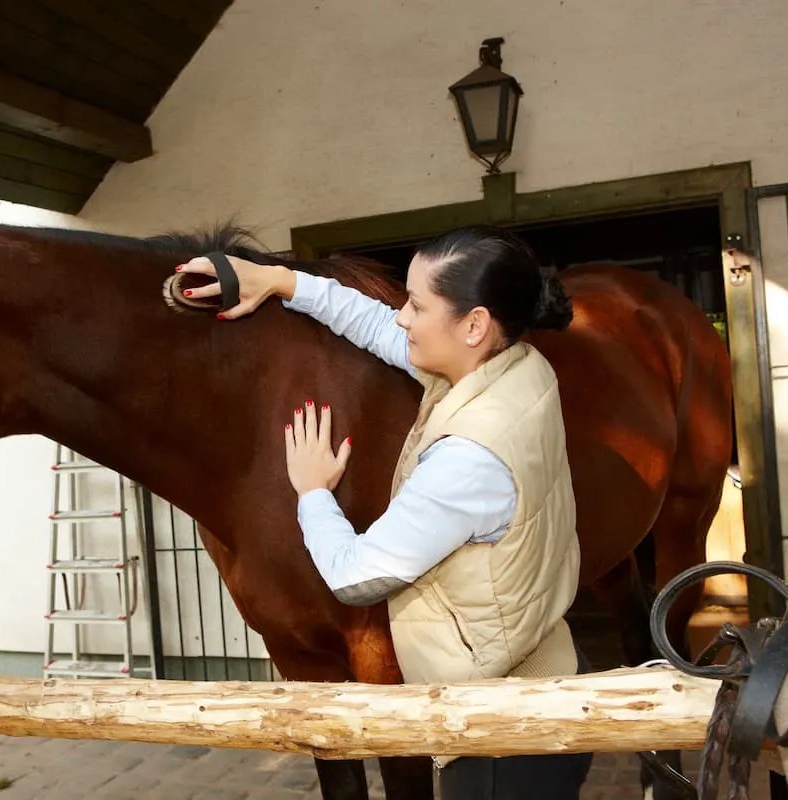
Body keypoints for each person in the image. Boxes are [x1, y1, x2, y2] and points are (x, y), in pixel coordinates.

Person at [176, 226, 592, 799]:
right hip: (544, 660)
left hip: (494, 730)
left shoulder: (469, 456)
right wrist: (282, 281)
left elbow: (356, 576)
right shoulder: (516, 367)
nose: (401, 317)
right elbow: (374, 324)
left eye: (417, 306)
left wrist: (312, 492)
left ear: (473, 325)